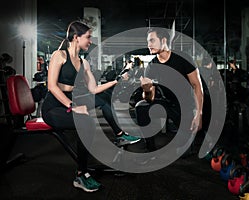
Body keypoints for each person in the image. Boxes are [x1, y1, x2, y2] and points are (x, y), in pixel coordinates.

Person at [41, 21, 137, 192]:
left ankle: (120, 134)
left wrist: (117, 80)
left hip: (70, 103)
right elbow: (52, 86)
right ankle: (81, 174)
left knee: (102, 99)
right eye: (88, 37)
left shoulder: (83, 63)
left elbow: (94, 89)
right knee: (85, 122)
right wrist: (72, 106)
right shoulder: (60, 55)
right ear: (76, 38)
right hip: (53, 107)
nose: (90, 41)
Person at [136, 27, 204, 152]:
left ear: (163, 40)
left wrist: (198, 114)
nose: (148, 45)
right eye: (148, 42)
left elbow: (197, 86)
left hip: (185, 106)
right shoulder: (151, 66)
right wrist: (146, 90)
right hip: (165, 103)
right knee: (141, 106)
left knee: (183, 152)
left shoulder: (183, 58)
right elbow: (150, 98)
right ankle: (150, 147)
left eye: (152, 41)